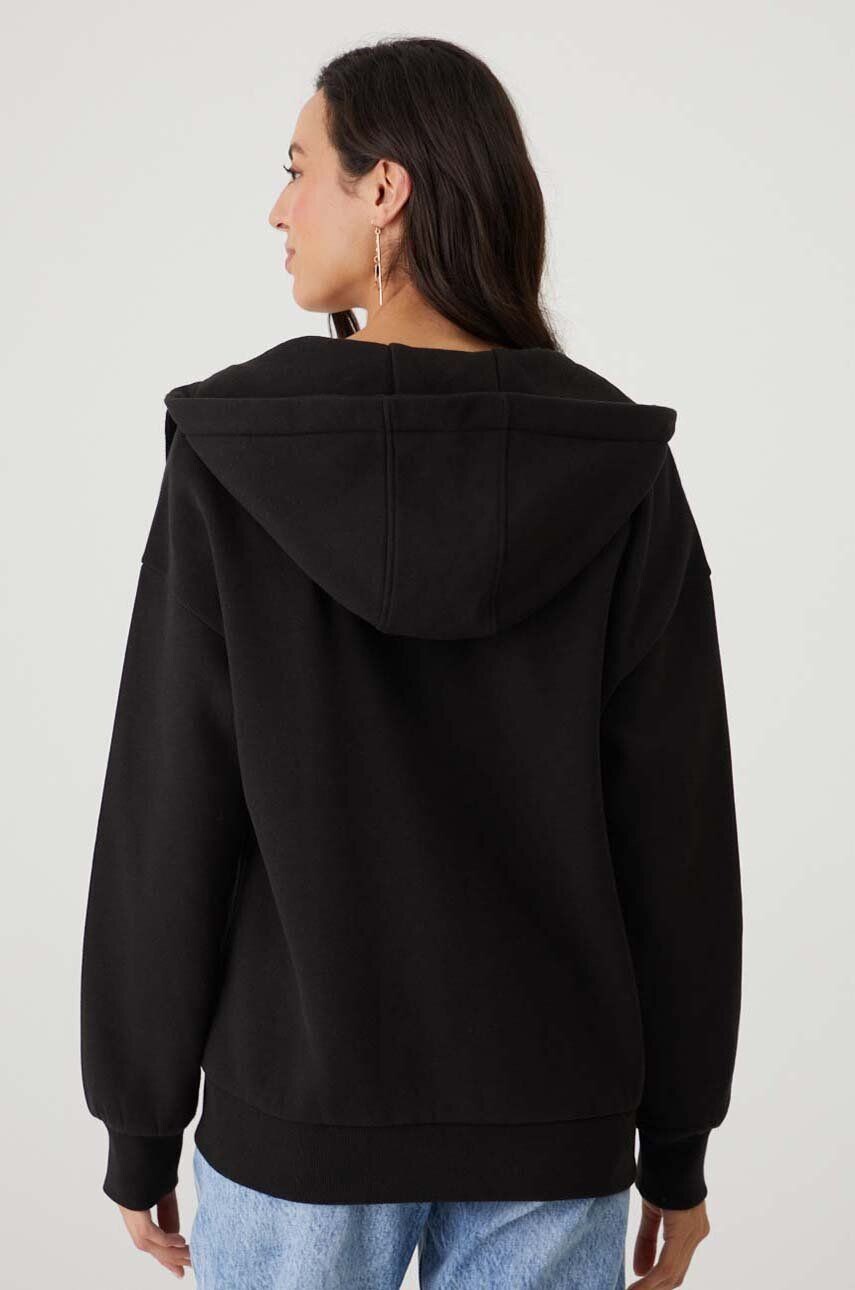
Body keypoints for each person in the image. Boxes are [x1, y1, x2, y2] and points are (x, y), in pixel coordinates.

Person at [79, 35, 742, 1290]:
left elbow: (171, 806)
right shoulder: (616, 469)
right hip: (553, 1114)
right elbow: (678, 837)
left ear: (385, 189)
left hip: (299, 1117)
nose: (278, 209)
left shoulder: (232, 459)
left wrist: (139, 1117)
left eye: (299, 169)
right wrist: (678, 1144)